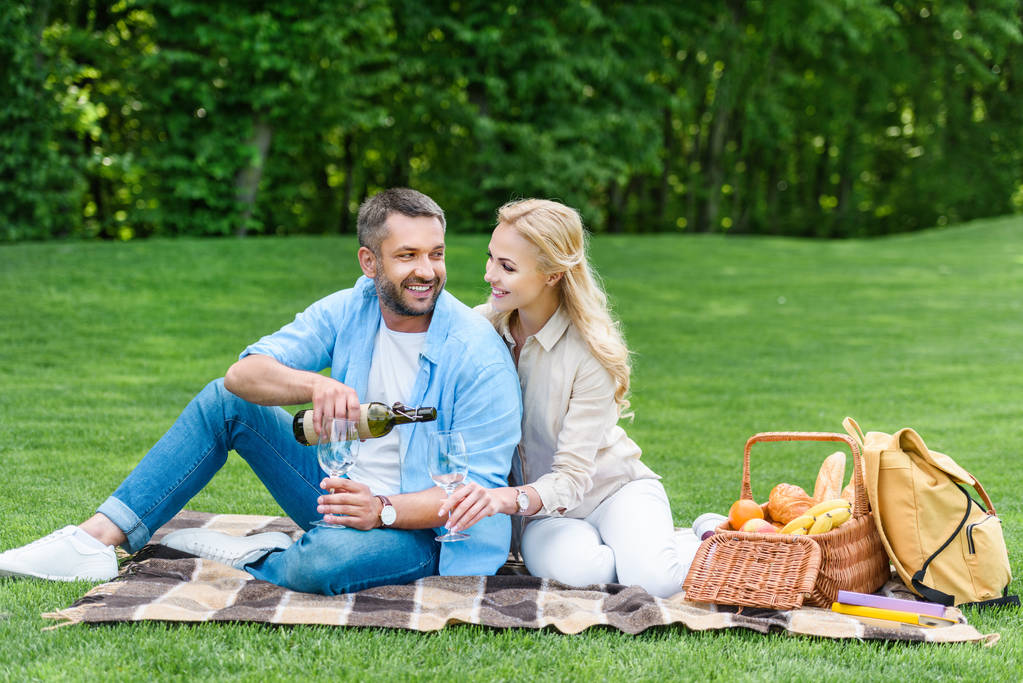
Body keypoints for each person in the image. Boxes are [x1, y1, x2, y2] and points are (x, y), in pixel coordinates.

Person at [0, 188, 522, 594]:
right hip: (335, 493)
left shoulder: (476, 353)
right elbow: (242, 375)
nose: (426, 272)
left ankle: (254, 556)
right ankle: (95, 540)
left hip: (423, 532)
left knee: (323, 563)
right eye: (407, 255)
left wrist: (382, 509)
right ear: (370, 263)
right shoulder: (351, 307)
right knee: (225, 403)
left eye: (436, 254)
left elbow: (469, 494)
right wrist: (315, 383)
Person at [439, 198, 699, 598]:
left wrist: (499, 499)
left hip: (613, 491)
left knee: (657, 583)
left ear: (552, 274)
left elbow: (574, 478)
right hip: (543, 512)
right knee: (576, 576)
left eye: (507, 267)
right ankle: (638, 552)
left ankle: (695, 539)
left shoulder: (590, 351)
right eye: (491, 258)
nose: (490, 274)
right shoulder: (482, 327)